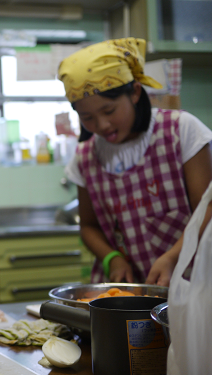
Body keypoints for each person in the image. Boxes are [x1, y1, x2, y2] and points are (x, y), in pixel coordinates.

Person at [59, 38, 212, 286]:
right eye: (87, 117)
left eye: (109, 111)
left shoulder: (180, 131)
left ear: (135, 92)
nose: (101, 125)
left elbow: (207, 208)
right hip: (127, 292)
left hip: (191, 282)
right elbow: (88, 226)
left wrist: (173, 257)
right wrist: (112, 258)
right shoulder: (85, 158)